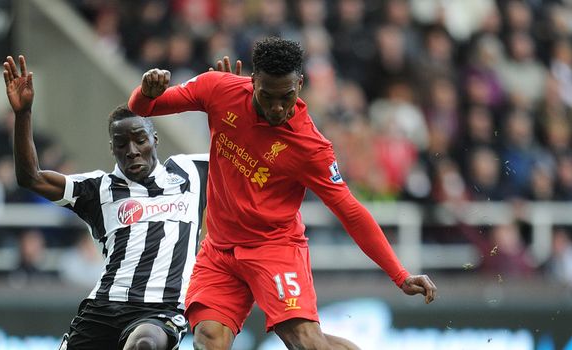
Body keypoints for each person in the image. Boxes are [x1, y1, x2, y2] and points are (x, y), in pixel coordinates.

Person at [128, 37, 437, 349]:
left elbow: (350, 212)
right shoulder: (220, 90)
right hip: (220, 251)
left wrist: (399, 274)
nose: (277, 107)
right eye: (267, 96)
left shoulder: (311, 147)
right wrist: (146, 93)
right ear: (252, 81)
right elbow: (141, 109)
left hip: (273, 249)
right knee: (209, 339)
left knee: (306, 343)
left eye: (286, 97)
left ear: (300, 85)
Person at [3, 55, 210, 350]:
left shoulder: (191, 171)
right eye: (122, 144)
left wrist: (231, 108)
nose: (133, 150)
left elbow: (243, 161)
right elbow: (30, 178)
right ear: (112, 148)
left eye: (140, 139)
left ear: (155, 139)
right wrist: (24, 114)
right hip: (102, 309)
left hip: (160, 309)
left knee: (145, 345)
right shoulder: (97, 189)